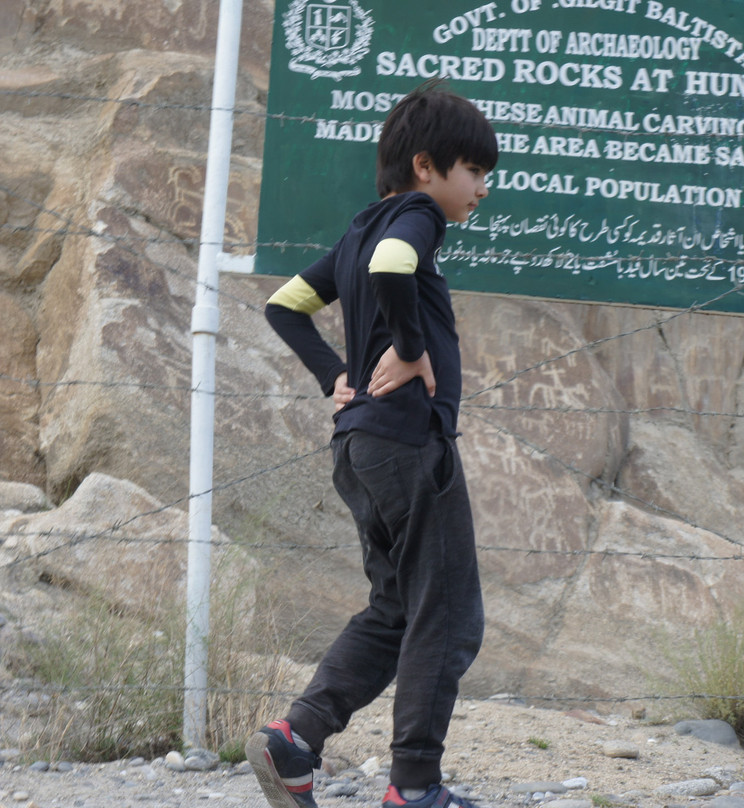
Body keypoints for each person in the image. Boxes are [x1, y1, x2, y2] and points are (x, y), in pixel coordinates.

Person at [245, 80, 498, 808]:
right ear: (427, 167)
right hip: (409, 445)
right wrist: (414, 349)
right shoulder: (417, 217)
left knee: (396, 607)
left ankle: (297, 738)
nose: (481, 188)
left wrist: (338, 377)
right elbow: (394, 267)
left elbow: (285, 305)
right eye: (474, 171)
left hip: (359, 449)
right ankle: (415, 786)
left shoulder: (361, 226)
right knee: (447, 615)